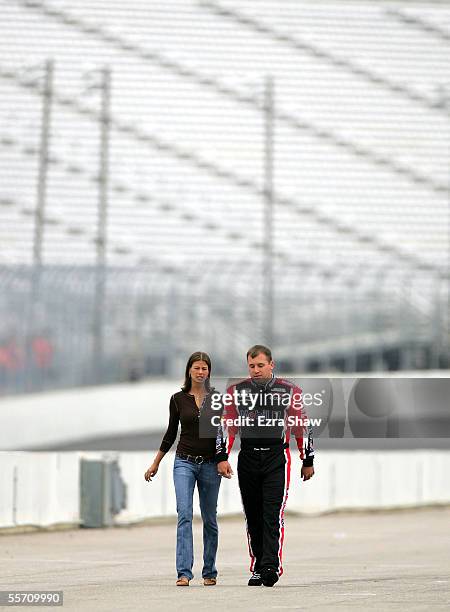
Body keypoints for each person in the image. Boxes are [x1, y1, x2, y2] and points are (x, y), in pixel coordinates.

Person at [216, 345, 315, 587]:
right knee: (253, 516)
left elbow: (301, 425)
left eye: (261, 365)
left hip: (276, 458)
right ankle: (258, 567)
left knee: (272, 515)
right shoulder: (236, 392)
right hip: (248, 458)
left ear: (272, 364)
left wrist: (307, 459)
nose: (256, 370)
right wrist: (222, 456)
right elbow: (228, 426)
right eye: (252, 366)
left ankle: (271, 566)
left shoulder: (289, 390)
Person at [144, 351, 228, 587]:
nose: (201, 372)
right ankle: (184, 572)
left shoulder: (217, 399)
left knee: (210, 518)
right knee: (184, 515)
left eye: (205, 368)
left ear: (209, 372)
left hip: (211, 464)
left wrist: (223, 460)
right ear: (189, 370)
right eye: (196, 368)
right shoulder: (177, 399)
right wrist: (156, 462)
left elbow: (221, 433)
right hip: (184, 462)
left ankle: (209, 571)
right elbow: (171, 433)